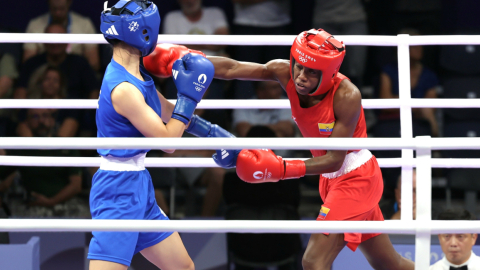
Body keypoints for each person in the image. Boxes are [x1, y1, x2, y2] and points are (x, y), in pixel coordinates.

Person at [144, 28, 414, 269]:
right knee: (390, 264)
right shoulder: (284, 71)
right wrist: (185, 59)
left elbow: (335, 159)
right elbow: (233, 68)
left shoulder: (347, 96)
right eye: (299, 66)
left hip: (356, 178)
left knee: (314, 261)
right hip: (330, 179)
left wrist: (283, 167)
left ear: (330, 73)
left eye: (311, 72)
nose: (300, 76)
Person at [90, 1, 237, 269]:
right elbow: (168, 142)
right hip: (117, 191)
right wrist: (189, 96)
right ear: (143, 32)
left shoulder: (136, 76)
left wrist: (214, 134)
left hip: (138, 185)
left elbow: (168, 111)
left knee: (183, 267)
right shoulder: (124, 89)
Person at [5, 108, 87, 218]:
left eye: (45, 115)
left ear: (53, 120)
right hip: (31, 208)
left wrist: (51, 201)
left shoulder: (66, 147)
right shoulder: (20, 148)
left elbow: (76, 185)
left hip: (68, 206)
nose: (41, 121)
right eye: (35, 117)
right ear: (26, 122)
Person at [23, 0, 100, 71]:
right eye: (54, 9)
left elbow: (94, 64)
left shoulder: (85, 24)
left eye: (61, 8)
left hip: (75, 73)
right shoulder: (35, 25)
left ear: (69, 4)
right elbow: (28, 64)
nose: (58, 13)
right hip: (43, 74)